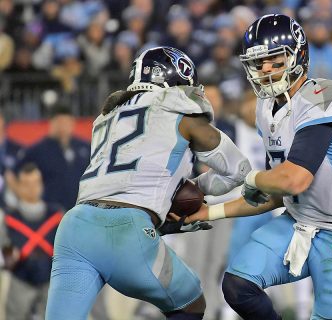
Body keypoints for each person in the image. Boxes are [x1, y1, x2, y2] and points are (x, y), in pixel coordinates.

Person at [175, 14, 332, 320]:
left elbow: (294, 180)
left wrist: (247, 177)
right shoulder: (266, 107)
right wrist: (208, 211)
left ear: (298, 55)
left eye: (275, 60)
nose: (266, 69)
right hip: (297, 220)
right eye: (259, 62)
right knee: (238, 285)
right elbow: (274, 193)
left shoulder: (324, 96)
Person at [45, 46, 251, 320]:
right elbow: (239, 170)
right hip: (126, 231)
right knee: (191, 303)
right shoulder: (183, 115)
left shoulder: (105, 117)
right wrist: (195, 189)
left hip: (75, 227)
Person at [2, 163, 62, 320]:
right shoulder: (8, 219)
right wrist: (9, 256)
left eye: (36, 182)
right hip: (21, 281)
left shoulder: (56, 216)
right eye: (26, 184)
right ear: (19, 186)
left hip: (50, 282)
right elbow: (4, 254)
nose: (32, 188)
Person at [16, 105, 90, 211]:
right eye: (59, 122)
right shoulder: (37, 150)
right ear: (51, 123)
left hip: (80, 210)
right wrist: (24, 199)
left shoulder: (84, 147)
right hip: (50, 213)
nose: (63, 127)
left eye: (66, 122)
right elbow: (13, 173)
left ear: (72, 123)